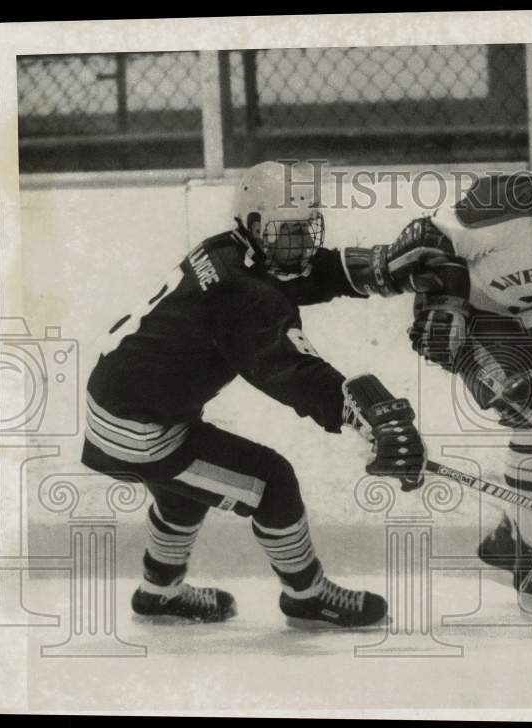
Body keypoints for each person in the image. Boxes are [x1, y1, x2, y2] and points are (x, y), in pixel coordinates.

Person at [80, 161, 427, 629]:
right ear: (257, 226)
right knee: (272, 482)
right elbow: (287, 368)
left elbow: (296, 276)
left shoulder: (226, 250)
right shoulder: (245, 292)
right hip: (140, 428)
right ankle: (306, 595)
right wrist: (357, 410)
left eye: (307, 230)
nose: (301, 243)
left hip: (121, 405)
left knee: (184, 491)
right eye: (289, 232)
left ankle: (159, 593)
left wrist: (378, 269)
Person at [339, 119, 532, 609]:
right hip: (470, 319)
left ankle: (511, 537)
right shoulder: (500, 205)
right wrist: (442, 308)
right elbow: (425, 242)